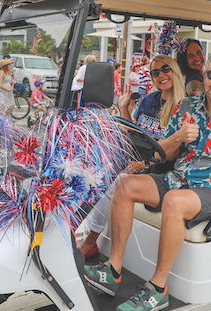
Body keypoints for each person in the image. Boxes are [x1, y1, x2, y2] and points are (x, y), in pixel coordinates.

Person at [83, 49, 211, 311]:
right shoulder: (187, 106)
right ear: (205, 76)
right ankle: (113, 270)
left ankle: (157, 289)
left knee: (174, 201)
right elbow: (162, 153)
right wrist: (177, 136)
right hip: (179, 177)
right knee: (124, 186)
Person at [80, 55, 186, 257]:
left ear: (175, 71)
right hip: (140, 160)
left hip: (162, 166)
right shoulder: (150, 100)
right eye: (155, 72)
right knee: (94, 172)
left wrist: (144, 162)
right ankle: (77, 230)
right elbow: (136, 133)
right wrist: (124, 108)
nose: (160, 75)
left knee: (116, 182)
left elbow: (176, 151)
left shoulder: (183, 106)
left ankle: (91, 241)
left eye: (165, 69)